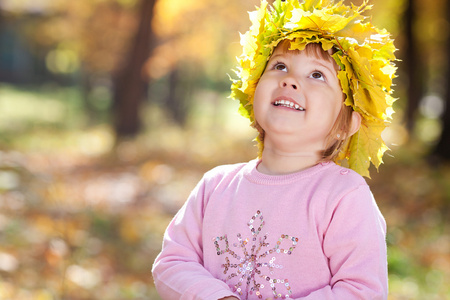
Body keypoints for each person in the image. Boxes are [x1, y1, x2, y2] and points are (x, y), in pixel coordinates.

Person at [152, 0, 397, 299]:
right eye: (280, 66)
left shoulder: (343, 196)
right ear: (253, 89)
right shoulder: (215, 187)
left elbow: (363, 291)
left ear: (345, 125)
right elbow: (173, 262)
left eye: (317, 75)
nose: (290, 80)